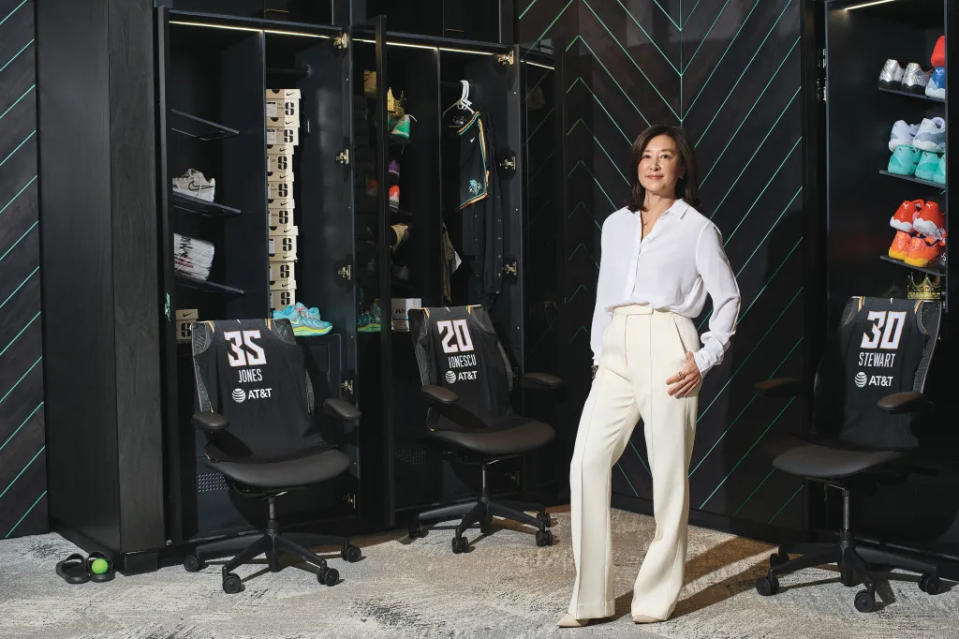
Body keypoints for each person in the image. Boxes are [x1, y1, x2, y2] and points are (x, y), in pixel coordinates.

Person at [559, 125, 741, 627]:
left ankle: (655, 596)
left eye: (666, 157)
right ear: (636, 164)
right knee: (586, 461)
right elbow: (603, 293)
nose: (655, 165)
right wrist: (600, 355)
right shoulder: (615, 225)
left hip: (670, 342)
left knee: (668, 476)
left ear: (682, 168)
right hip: (618, 344)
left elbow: (728, 298)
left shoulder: (697, 228)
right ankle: (590, 598)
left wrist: (704, 356)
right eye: (647, 156)